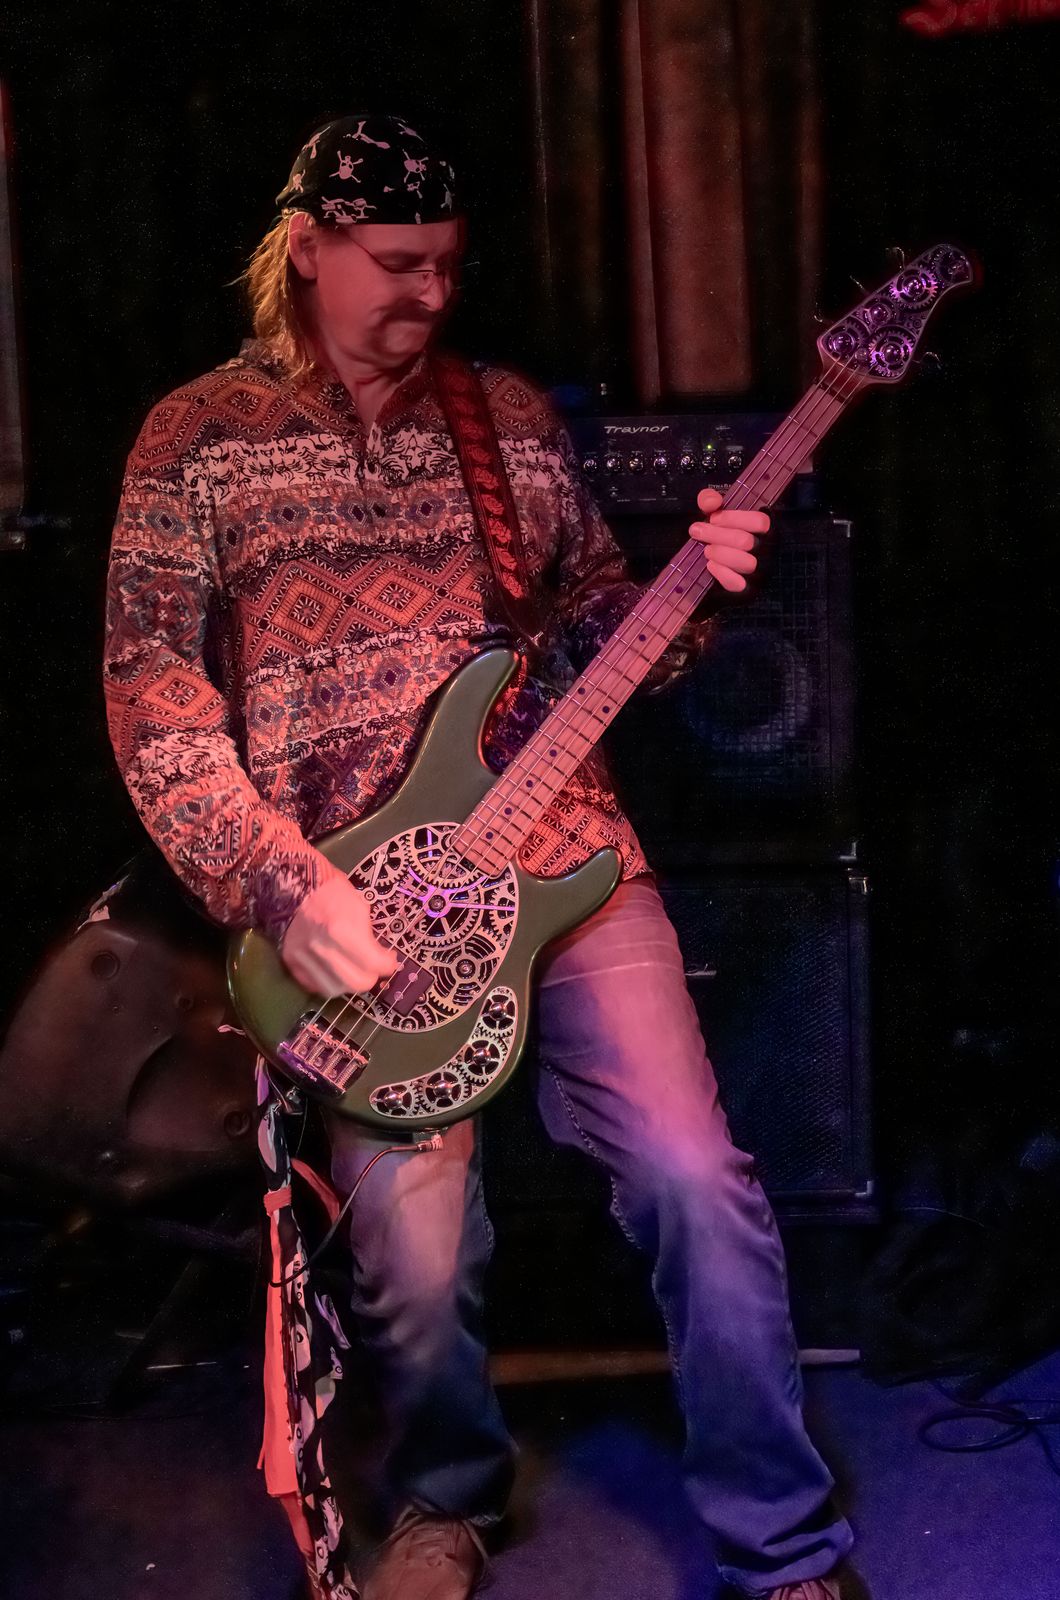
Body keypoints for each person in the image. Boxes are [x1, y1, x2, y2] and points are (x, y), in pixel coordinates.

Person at [103, 114, 854, 1600]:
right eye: (397, 263)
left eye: (448, 265)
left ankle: (785, 1545)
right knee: (414, 1239)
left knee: (696, 1179)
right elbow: (153, 696)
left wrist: (691, 593)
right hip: (353, 902)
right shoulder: (194, 441)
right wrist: (278, 881)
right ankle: (445, 1502)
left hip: (561, 850)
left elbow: (588, 624)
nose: (430, 294)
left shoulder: (503, 417)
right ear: (306, 247)